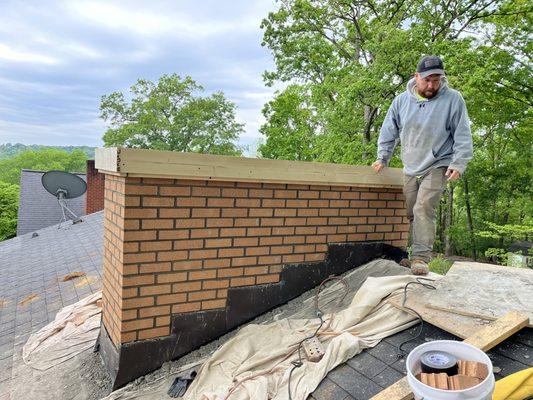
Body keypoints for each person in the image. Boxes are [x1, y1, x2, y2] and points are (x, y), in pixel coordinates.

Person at [372, 55, 473, 275]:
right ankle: (410, 254)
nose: (431, 85)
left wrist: (459, 162)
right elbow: (389, 131)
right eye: (427, 80)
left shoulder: (453, 99)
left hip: (439, 163)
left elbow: (463, 133)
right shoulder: (401, 101)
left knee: (423, 208)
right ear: (416, 76)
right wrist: (383, 157)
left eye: (436, 80)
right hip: (411, 166)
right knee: (411, 212)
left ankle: (420, 258)